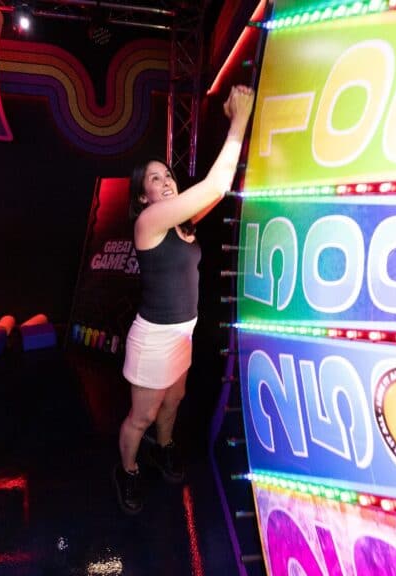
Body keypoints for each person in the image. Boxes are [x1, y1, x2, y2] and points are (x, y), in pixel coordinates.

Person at [114, 85, 255, 514]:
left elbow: (214, 193)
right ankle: (128, 470)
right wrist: (239, 121)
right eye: (154, 178)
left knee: (173, 400)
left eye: (168, 174)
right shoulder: (150, 221)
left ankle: (164, 446)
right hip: (154, 337)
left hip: (183, 333)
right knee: (142, 414)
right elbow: (217, 183)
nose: (166, 180)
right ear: (143, 196)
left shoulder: (184, 222)